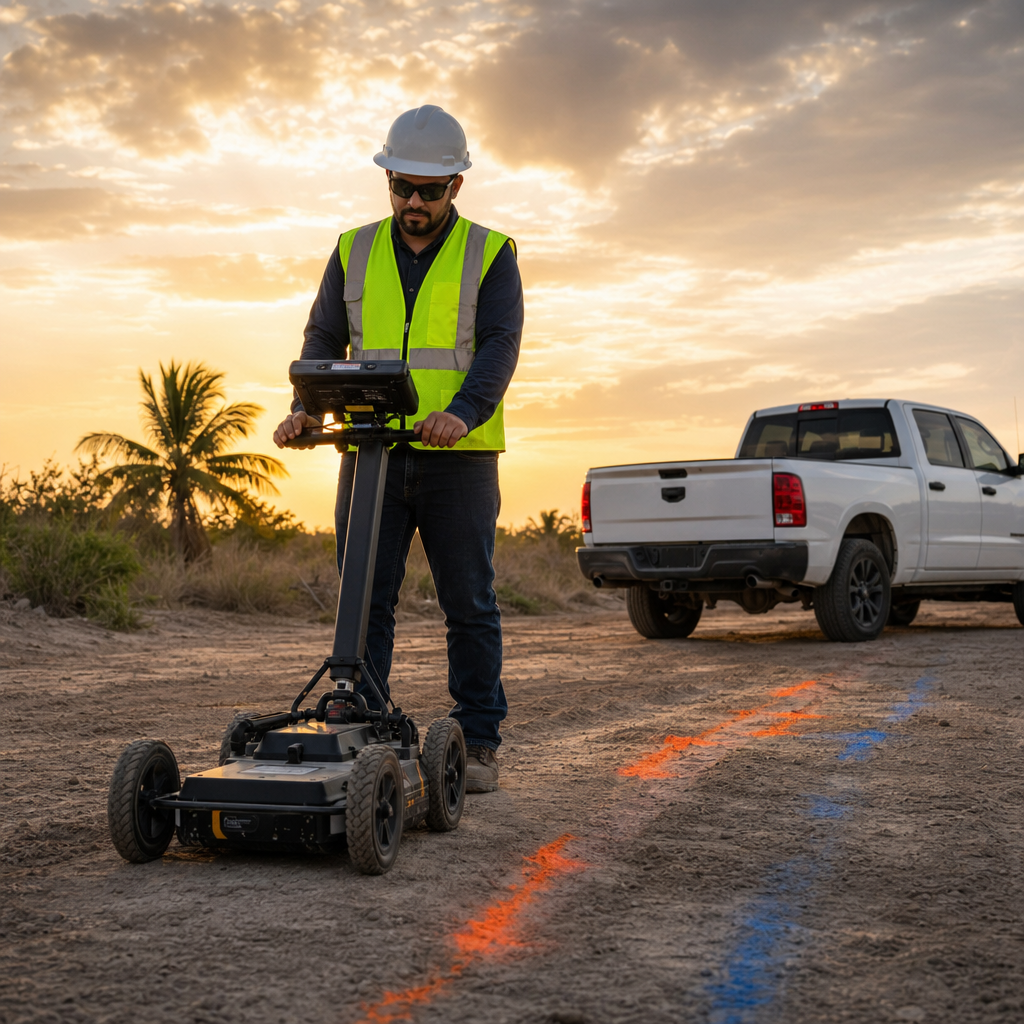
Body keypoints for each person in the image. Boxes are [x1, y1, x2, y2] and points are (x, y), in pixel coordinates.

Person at [273, 105, 523, 793]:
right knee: (366, 600)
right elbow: (323, 340)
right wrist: (305, 409)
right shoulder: (353, 249)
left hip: (459, 458)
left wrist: (463, 413)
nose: (414, 202)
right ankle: (365, 728)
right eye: (402, 187)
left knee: (469, 603)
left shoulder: (491, 253)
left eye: (430, 190)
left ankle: (478, 743)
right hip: (370, 450)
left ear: (457, 187)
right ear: (387, 178)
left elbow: (499, 347)